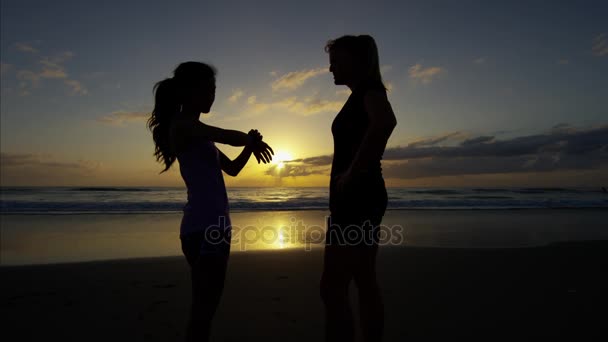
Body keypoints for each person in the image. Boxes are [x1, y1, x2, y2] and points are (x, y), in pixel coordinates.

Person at [147, 61, 273, 342]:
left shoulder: (200, 134)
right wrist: (250, 139)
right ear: (187, 92)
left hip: (205, 225)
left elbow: (232, 169)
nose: (211, 95)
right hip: (209, 227)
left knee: (203, 307)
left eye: (214, 90)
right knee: (204, 310)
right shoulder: (183, 125)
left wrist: (250, 148)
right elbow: (227, 136)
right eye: (206, 89)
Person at [320, 35, 397, 342]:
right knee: (363, 281)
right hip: (358, 198)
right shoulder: (359, 95)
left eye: (336, 61)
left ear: (356, 60)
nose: (330, 68)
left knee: (332, 287)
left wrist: (353, 171)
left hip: (358, 200)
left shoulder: (371, 90)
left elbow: (385, 123)